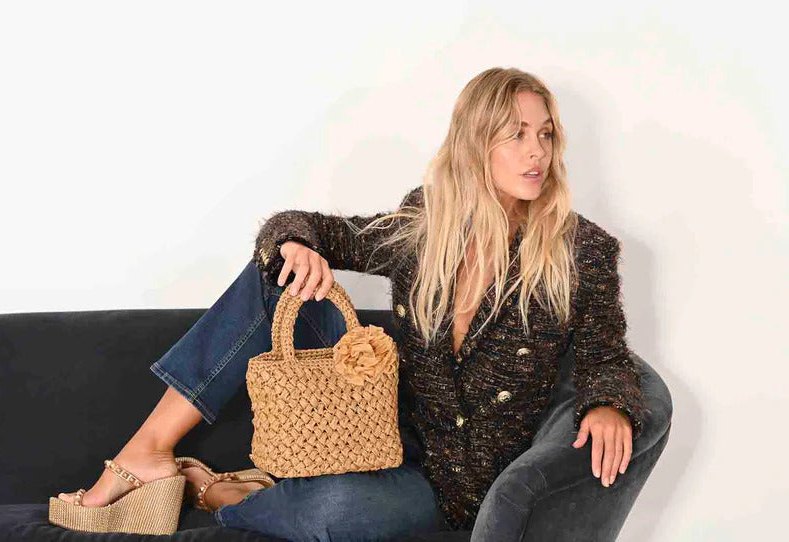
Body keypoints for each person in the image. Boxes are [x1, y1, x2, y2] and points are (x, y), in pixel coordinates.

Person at [54, 67, 645, 539]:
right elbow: (302, 224)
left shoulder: (581, 249)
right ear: (475, 143)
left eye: (545, 134)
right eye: (516, 134)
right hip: (382, 428)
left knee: (332, 513)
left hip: (449, 487)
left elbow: (608, 355)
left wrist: (608, 405)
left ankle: (216, 493)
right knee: (277, 272)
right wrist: (294, 245)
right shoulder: (427, 222)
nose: (536, 151)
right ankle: (148, 451)